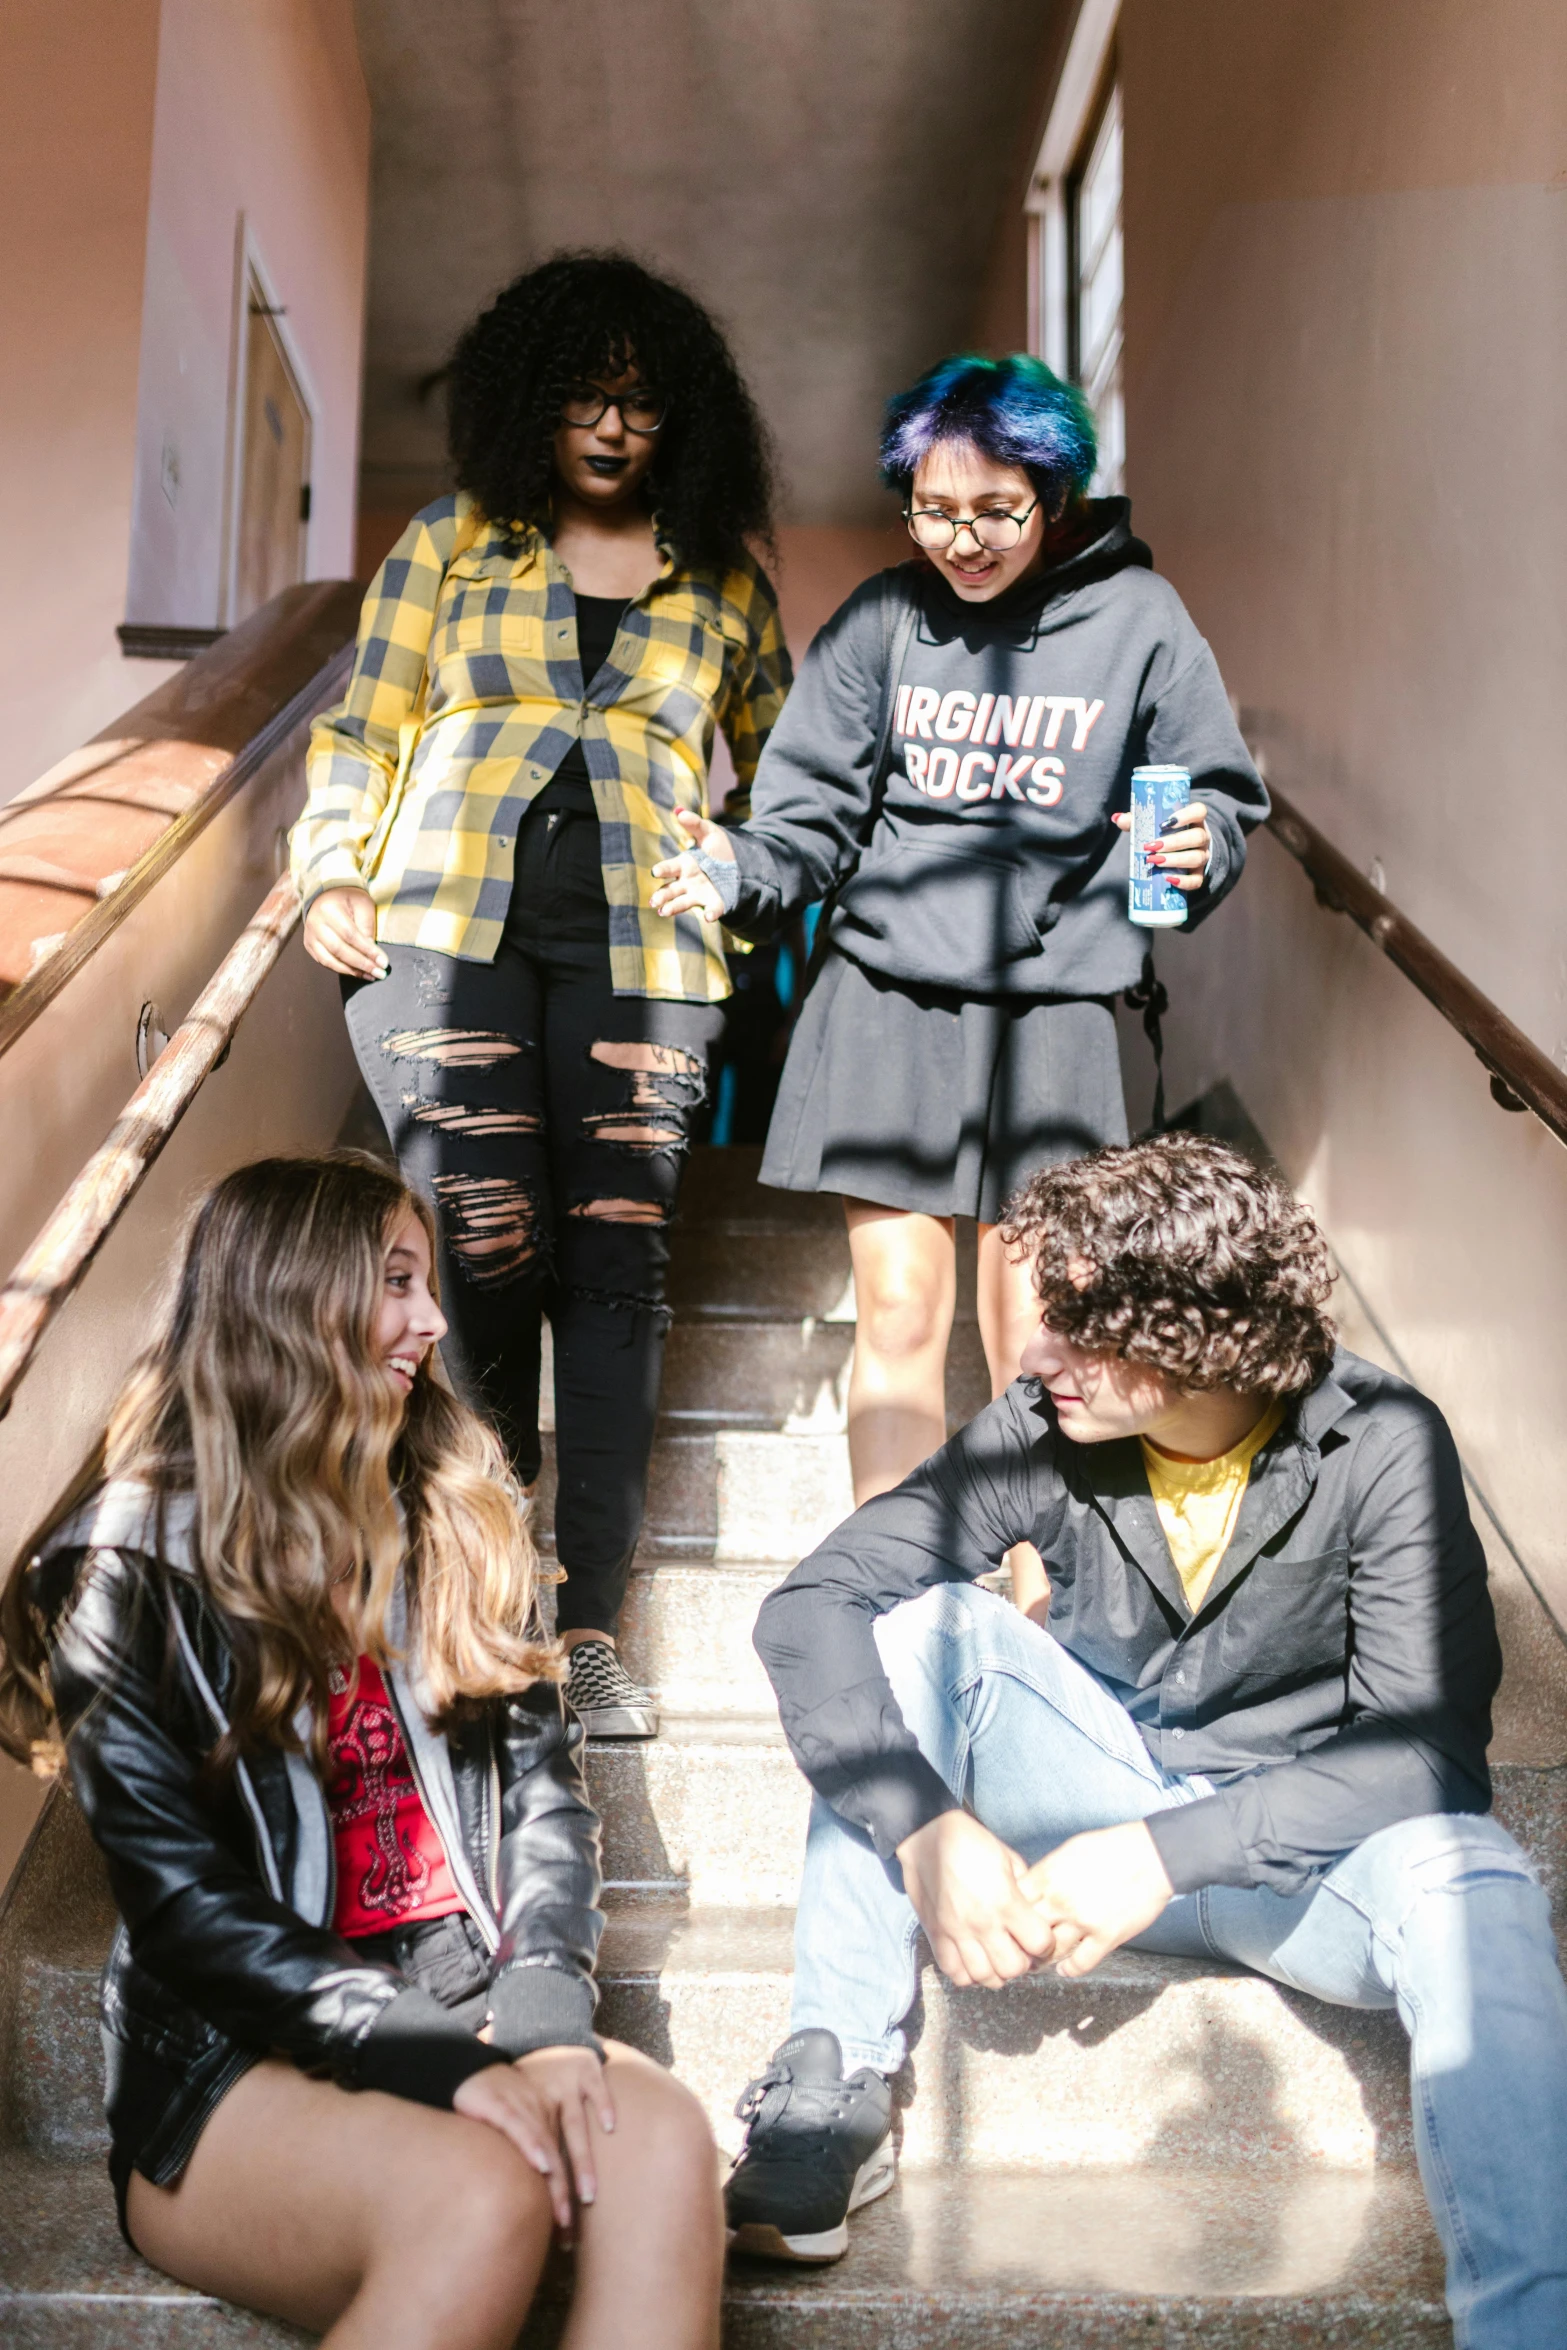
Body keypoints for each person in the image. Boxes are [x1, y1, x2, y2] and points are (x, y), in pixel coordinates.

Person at [721, 1133, 1567, 2350]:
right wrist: (925, 1827)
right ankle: (829, 2085)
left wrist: (1167, 1850)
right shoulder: (1039, 1425)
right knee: (922, 1627)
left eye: (1077, 1327)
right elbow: (809, 1607)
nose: (1030, 1352)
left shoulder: (1382, 1440)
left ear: (1194, 1335)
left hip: (1305, 1866)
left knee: (1479, 1875)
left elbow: (1426, 1753)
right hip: (1091, 1793)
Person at [0, 1154, 722, 2350]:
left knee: (660, 2141)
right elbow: (185, 1905)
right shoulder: (124, 1566)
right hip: (239, 2057)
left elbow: (545, 1798)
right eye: (396, 1281)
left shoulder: (454, 1507)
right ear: (285, 1295)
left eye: (426, 1281)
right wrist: (435, 2056)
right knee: (479, 2198)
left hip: (468, 1986)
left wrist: (540, 2009)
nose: (434, 1322)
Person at [293, 252, 791, 1739]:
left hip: (646, 951)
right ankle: (483, 1595)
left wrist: (746, 861)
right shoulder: (453, 542)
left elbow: (797, 783)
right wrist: (330, 865)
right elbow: (362, 723)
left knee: (617, 1272)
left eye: (640, 399)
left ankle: (587, 1629)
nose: (611, 423)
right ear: (531, 399)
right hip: (443, 923)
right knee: (480, 1247)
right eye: (583, 391)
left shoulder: (723, 582)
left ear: (679, 418)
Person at [651, 352, 1269, 1531]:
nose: (962, 540)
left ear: (1056, 491)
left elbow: (1213, 799)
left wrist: (1198, 845)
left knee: (1038, 1331)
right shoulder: (885, 620)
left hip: (1055, 1010)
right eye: (934, 510)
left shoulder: (1139, 620)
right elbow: (807, 818)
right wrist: (739, 865)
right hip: (887, 996)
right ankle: (897, 1609)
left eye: (995, 510)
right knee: (892, 1318)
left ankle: (1034, 1620)